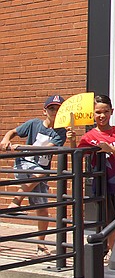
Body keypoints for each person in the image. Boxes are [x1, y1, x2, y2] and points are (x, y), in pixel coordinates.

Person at [1, 95, 68, 255]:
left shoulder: (61, 132)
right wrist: (5, 140)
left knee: (43, 208)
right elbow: (13, 131)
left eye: (58, 109)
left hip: (40, 170)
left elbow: (46, 149)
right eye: (51, 108)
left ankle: (40, 245)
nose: (55, 111)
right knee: (40, 173)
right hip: (24, 163)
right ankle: (15, 202)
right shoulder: (34, 124)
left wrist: (20, 146)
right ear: (44, 111)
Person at [78, 94, 115, 259]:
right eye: (98, 112)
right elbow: (77, 155)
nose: (102, 115)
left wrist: (111, 150)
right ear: (93, 114)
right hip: (102, 184)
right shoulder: (88, 137)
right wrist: (71, 141)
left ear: (112, 111)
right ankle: (113, 254)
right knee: (108, 220)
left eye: (105, 111)